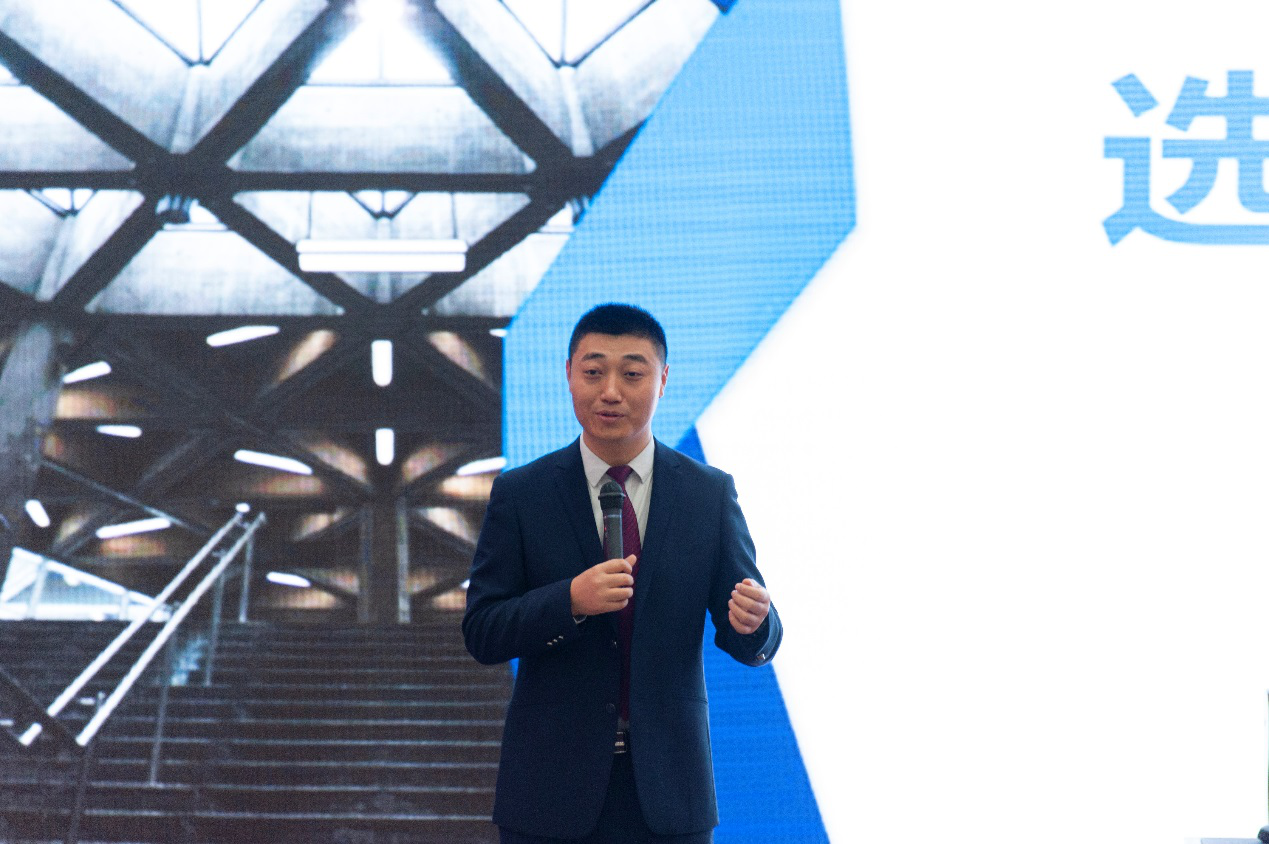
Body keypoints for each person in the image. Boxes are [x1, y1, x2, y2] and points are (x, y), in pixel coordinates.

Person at [463, 303, 782, 844]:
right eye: (593, 372)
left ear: (663, 380)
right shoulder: (522, 493)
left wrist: (756, 623)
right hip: (548, 793)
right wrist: (569, 600)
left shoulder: (706, 494)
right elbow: (483, 631)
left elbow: (752, 630)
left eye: (632, 374)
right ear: (569, 375)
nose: (610, 391)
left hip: (670, 792)